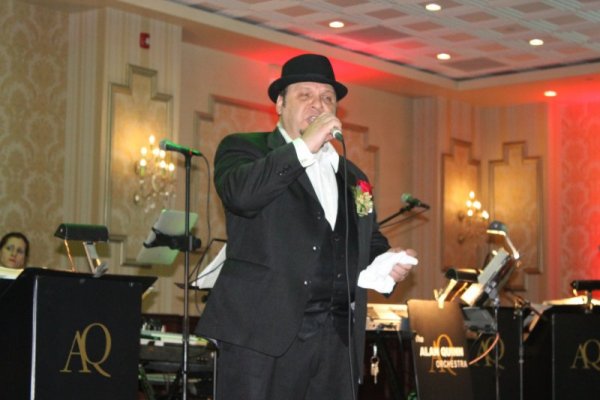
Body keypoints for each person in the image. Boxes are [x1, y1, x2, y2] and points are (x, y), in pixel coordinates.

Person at [195, 53, 417, 400]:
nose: (319, 104)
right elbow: (242, 195)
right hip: (262, 335)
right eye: (305, 95)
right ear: (280, 104)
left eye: (328, 97)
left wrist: (388, 260)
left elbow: (366, 239)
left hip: (336, 338)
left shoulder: (353, 175)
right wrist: (304, 147)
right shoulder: (244, 148)